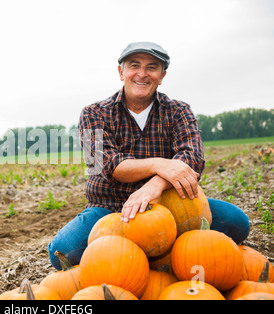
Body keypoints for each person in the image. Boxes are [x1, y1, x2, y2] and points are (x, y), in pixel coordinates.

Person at [47, 41, 250, 270]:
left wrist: (155, 185)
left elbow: (193, 158)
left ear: (161, 76)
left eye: (152, 67)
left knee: (237, 223)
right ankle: (150, 254)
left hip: (169, 206)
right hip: (110, 208)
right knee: (61, 253)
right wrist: (160, 165)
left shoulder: (179, 110)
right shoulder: (93, 113)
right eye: (135, 65)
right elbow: (108, 166)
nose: (142, 74)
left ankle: (159, 252)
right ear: (120, 72)